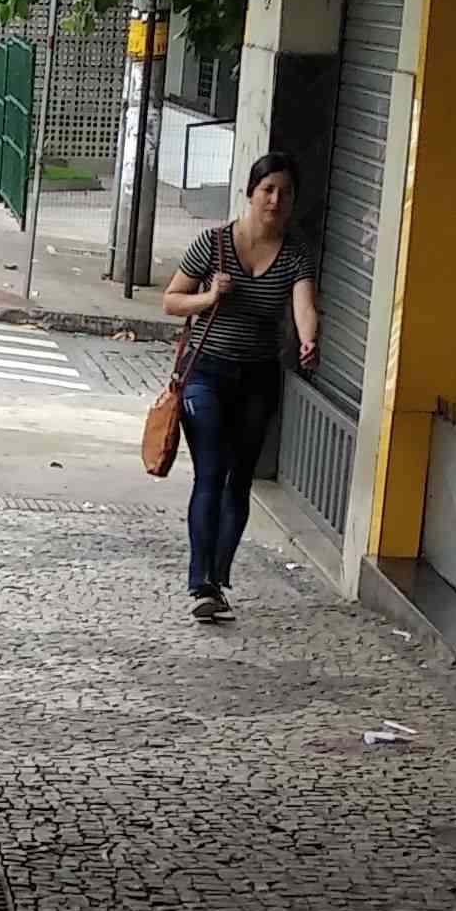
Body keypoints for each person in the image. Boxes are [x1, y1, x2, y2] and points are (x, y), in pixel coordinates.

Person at [162, 152, 318, 623]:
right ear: (250, 193)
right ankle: (201, 583)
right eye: (268, 189)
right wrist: (210, 296)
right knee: (211, 472)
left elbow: (304, 305)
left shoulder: (295, 253)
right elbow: (171, 300)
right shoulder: (212, 244)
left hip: (257, 378)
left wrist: (309, 339)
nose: (275, 199)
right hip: (205, 374)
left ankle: (218, 576)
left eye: (285, 192)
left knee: (239, 479)